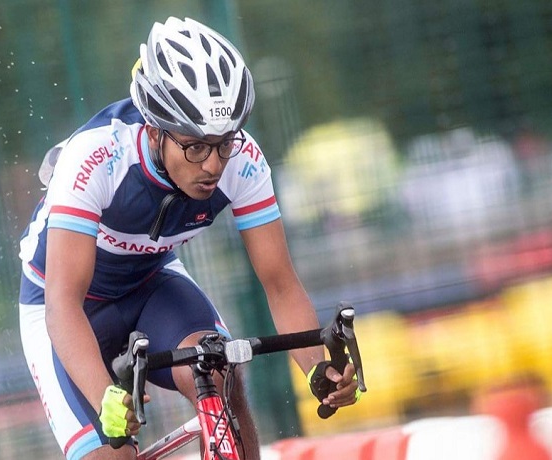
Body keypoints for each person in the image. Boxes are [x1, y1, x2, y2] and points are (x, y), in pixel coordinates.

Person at [18, 16, 359, 460]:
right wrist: (107, 395)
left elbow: (280, 283)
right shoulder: (96, 158)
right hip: (65, 306)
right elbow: (63, 304)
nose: (213, 164)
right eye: (195, 146)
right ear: (155, 129)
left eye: (223, 143)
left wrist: (318, 370)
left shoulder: (244, 160)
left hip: (151, 284)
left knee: (218, 373)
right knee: (112, 455)